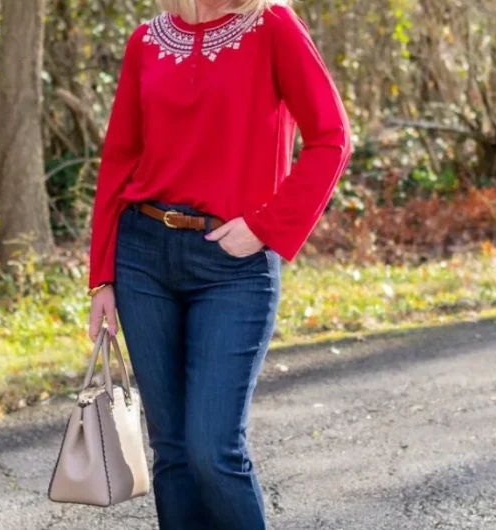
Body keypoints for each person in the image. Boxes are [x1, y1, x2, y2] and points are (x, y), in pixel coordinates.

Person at [86, 0, 352, 528]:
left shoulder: (273, 25)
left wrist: (266, 226)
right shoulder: (146, 40)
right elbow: (119, 156)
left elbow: (332, 138)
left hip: (233, 264)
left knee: (213, 450)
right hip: (142, 258)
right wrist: (101, 278)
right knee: (174, 454)